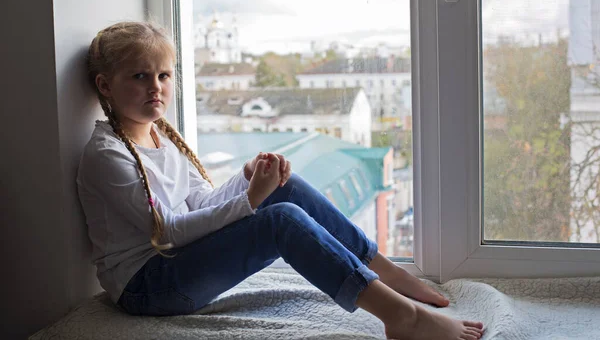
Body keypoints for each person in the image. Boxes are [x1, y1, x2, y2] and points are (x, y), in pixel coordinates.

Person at [76, 21, 485, 340]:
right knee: (280, 220)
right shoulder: (107, 155)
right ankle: (402, 317)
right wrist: (252, 201)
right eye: (140, 77)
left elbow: (200, 205)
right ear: (105, 85)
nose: (156, 88)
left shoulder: (158, 134)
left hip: (177, 264)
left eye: (163, 76)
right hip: (148, 287)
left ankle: (387, 273)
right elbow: (166, 235)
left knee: (284, 187)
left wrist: (247, 180)